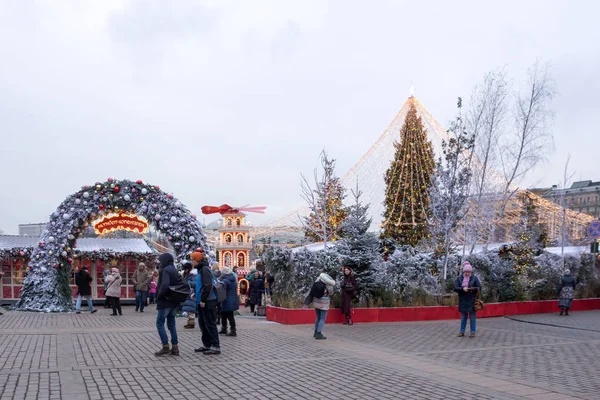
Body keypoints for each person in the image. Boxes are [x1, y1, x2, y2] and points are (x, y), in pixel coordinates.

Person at [192, 251, 221, 355]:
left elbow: (207, 285)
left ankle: (215, 346)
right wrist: (196, 294)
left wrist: (203, 299)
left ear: (197, 260)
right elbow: (201, 285)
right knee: (203, 324)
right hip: (202, 301)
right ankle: (207, 344)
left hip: (208, 301)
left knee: (210, 323)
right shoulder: (201, 269)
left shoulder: (204, 269)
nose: (192, 262)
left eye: (193, 259)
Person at [155, 253, 181, 356]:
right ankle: (175, 347)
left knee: (160, 323)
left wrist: (159, 295)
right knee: (171, 325)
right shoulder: (174, 269)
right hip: (174, 301)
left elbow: (165, 285)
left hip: (165, 301)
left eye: (161, 261)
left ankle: (165, 346)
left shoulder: (165, 270)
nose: (160, 263)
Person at [454, 261, 481, 338]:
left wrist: (472, 288)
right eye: (466, 272)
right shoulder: (459, 279)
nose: (467, 273)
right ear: (463, 271)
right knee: (463, 317)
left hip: (472, 300)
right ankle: (462, 331)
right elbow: (455, 288)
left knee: (472, 317)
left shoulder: (474, 278)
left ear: (471, 272)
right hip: (463, 300)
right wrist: (462, 289)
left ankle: (473, 332)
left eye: (468, 272)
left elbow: (479, 287)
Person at [304, 273, 335, 340]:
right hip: (324, 303)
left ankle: (315, 332)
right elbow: (331, 293)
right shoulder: (329, 285)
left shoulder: (318, 281)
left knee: (318, 317)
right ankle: (319, 333)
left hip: (316, 302)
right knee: (322, 318)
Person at [219, 266, 239, 336]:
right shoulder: (233, 280)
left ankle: (231, 330)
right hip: (232, 299)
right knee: (226, 314)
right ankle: (227, 329)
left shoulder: (225, 281)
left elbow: (220, 288)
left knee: (228, 315)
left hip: (227, 299)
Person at [181, 261, 198, 329]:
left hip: (191, 294)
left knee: (191, 308)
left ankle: (191, 322)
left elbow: (195, 284)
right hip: (187, 293)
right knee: (188, 308)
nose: (185, 271)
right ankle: (189, 322)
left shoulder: (193, 275)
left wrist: (187, 283)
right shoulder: (186, 275)